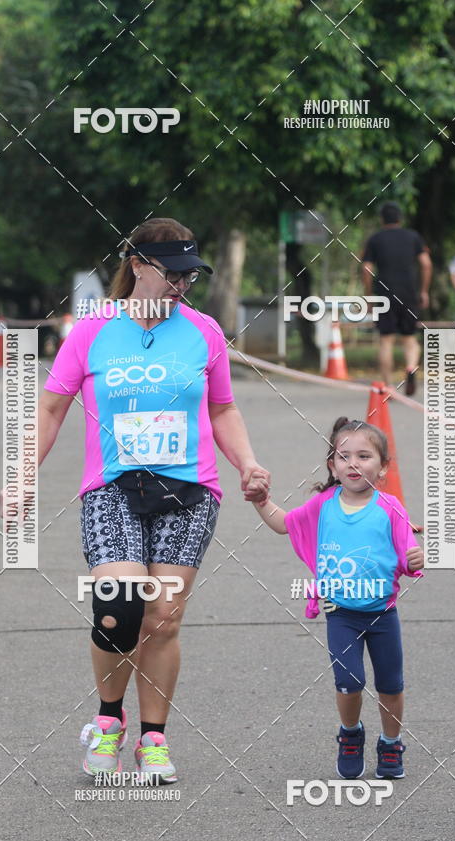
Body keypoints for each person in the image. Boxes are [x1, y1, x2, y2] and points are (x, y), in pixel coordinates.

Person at [27, 217, 270, 781]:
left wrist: (249, 463)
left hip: (189, 489)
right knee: (118, 607)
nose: (183, 284)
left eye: (192, 274)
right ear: (138, 266)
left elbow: (222, 409)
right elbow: (51, 407)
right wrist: (22, 475)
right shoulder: (91, 331)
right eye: (173, 273)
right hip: (112, 488)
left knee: (161, 618)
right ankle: (108, 723)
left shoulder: (204, 331)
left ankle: (153, 740)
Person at [250, 417, 423, 779]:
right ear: (332, 465)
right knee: (349, 682)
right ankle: (350, 735)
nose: (353, 464)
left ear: (383, 467)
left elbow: (410, 551)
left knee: (391, 684)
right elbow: (284, 523)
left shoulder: (390, 508)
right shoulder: (323, 505)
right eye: (344, 457)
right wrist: (262, 501)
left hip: (382, 613)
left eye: (364, 456)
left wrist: (416, 556)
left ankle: (391, 743)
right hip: (340, 612)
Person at [362, 202, 432, 395]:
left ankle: (389, 387)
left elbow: (366, 268)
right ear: (400, 218)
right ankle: (410, 368)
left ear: (382, 219)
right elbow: (426, 264)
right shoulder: (413, 237)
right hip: (408, 293)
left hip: (384, 295)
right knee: (410, 339)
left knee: (386, 341)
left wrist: (368, 296)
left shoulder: (375, 239)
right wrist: (424, 291)